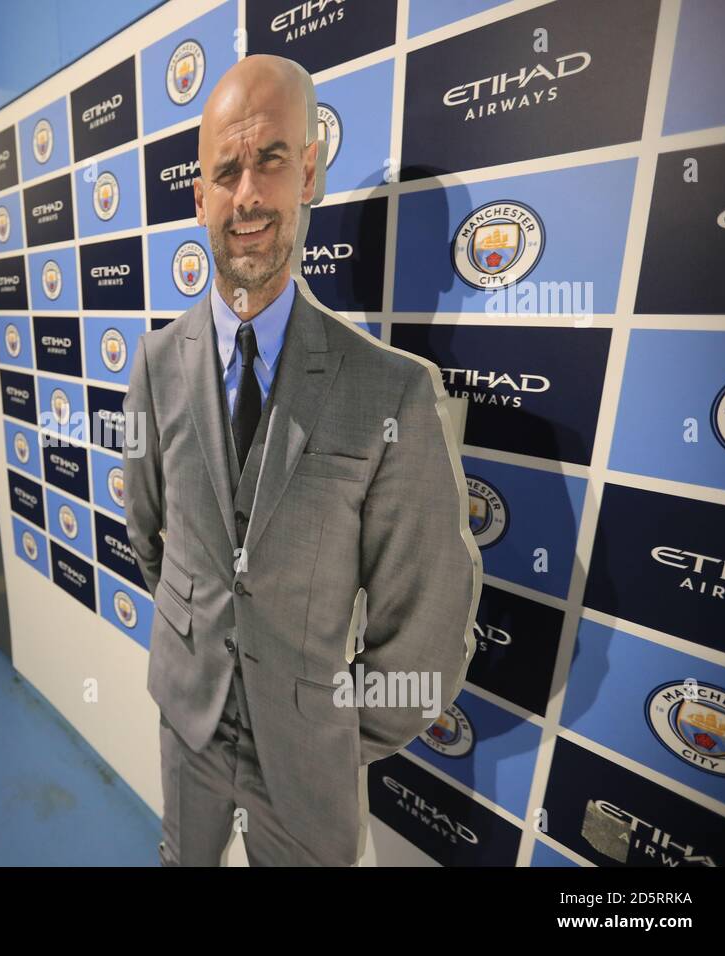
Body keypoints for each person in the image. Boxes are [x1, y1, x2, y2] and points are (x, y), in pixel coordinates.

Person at [123, 55, 482, 867]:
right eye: (226, 170)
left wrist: (333, 727)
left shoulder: (393, 393)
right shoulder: (152, 365)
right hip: (187, 725)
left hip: (311, 756)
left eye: (271, 159)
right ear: (200, 198)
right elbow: (150, 532)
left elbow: (424, 617)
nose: (247, 193)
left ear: (310, 171)